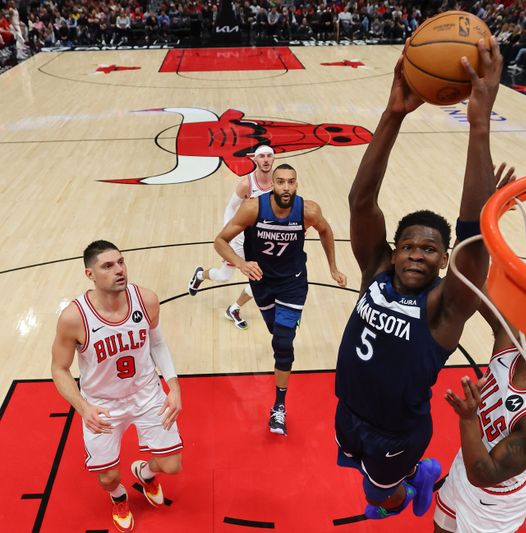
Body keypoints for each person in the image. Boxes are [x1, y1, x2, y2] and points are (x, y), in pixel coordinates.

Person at [334, 36, 503, 521]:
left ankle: (416, 483)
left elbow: (472, 236)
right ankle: (404, 480)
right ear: (393, 249)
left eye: (429, 249)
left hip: (396, 434)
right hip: (348, 412)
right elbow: (361, 202)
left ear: (444, 260)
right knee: (361, 473)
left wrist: (478, 124)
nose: (415, 255)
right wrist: (393, 114)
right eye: (408, 244)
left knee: (378, 499)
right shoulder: (376, 270)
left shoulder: (444, 307)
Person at [51, 241, 183, 533]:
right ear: (90, 274)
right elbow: (59, 369)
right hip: (103, 403)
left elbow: (158, 343)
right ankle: (119, 496)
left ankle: (145, 473)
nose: (119, 270)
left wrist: (173, 386)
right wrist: (83, 408)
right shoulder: (74, 318)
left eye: (121, 262)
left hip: (147, 393)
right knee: (107, 477)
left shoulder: (146, 299)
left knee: (172, 465)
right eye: (108, 266)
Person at [214, 163, 346, 435]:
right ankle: (287, 324)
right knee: (277, 332)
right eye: (281, 182)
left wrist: (333, 267)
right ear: (272, 184)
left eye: (291, 182)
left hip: (293, 283)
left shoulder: (307, 210)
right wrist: (241, 263)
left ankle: (279, 407)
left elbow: (326, 231)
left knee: (282, 343)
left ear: (297, 184)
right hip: (262, 283)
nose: (286, 187)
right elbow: (220, 241)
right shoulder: (253, 208)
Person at [434, 296, 526, 533]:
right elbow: (475, 284)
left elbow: (485, 474)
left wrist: (468, 419)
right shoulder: (512, 338)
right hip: (465, 463)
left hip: (495, 498)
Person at [188, 145, 276, 330]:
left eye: (269, 156)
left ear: (273, 159)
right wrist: (230, 230)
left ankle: (234, 309)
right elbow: (230, 207)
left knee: (260, 278)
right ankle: (199, 275)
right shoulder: (247, 184)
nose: (266, 159)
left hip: (261, 241)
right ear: (255, 159)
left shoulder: (278, 182)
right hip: (239, 240)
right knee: (223, 276)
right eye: (262, 156)